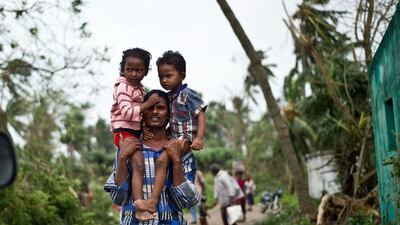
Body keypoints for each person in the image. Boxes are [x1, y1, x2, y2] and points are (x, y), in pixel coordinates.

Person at [105, 90, 201, 224]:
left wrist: (176, 161)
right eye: (150, 108)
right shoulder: (129, 147)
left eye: (160, 108)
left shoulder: (181, 149)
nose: (155, 112)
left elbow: (187, 200)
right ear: (142, 113)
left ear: (169, 115)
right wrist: (122, 159)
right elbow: (117, 198)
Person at [135, 50, 207, 214]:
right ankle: (153, 200)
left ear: (182, 75)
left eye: (168, 76)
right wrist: (144, 128)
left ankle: (152, 201)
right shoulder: (169, 97)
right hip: (174, 138)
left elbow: (201, 115)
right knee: (162, 161)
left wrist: (199, 138)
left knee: (161, 161)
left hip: (184, 140)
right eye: (161, 77)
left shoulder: (187, 95)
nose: (164, 80)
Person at [109, 48, 160, 220]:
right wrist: (148, 104)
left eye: (139, 70)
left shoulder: (139, 88)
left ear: (146, 71)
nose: (133, 73)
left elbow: (139, 117)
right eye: (129, 69)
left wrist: (143, 126)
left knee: (139, 166)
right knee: (138, 165)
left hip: (133, 131)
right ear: (122, 69)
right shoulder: (123, 86)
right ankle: (138, 206)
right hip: (124, 133)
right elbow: (128, 113)